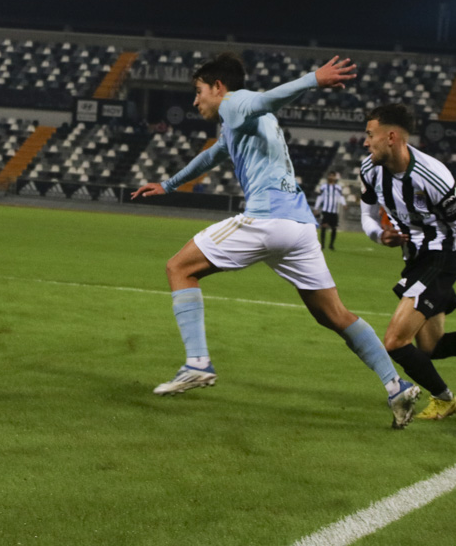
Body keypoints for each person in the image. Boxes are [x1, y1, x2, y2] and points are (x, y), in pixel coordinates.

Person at [131, 53, 422, 428]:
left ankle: (197, 362)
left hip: (267, 218)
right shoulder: (239, 122)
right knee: (335, 315)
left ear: (219, 88)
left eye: (199, 91)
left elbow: (268, 98)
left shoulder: (237, 102)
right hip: (299, 228)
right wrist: (169, 184)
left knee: (178, 268)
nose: (195, 100)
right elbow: (213, 156)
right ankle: (396, 385)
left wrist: (313, 79)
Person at [359, 103, 456, 422]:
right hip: (413, 261)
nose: (366, 142)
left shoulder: (433, 176)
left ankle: (443, 398)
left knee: (395, 341)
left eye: (370, 135)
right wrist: (379, 236)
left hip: (439, 258)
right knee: (431, 347)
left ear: (391, 137)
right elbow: (366, 215)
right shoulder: (369, 170)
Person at [313, 170, 346, 250]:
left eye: (333, 176)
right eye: (330, 175)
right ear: (328, 177)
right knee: (323, 226)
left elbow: (340, 197)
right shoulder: (324, 187)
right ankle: (323, 245)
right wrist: (316, 208)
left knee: (334, 227)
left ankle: (331, 245)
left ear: (335, 177)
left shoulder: (338, 187)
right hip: (326, 210)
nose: (331, 177)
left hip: (334, 211)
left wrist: (344, 204)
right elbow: (320, 197)